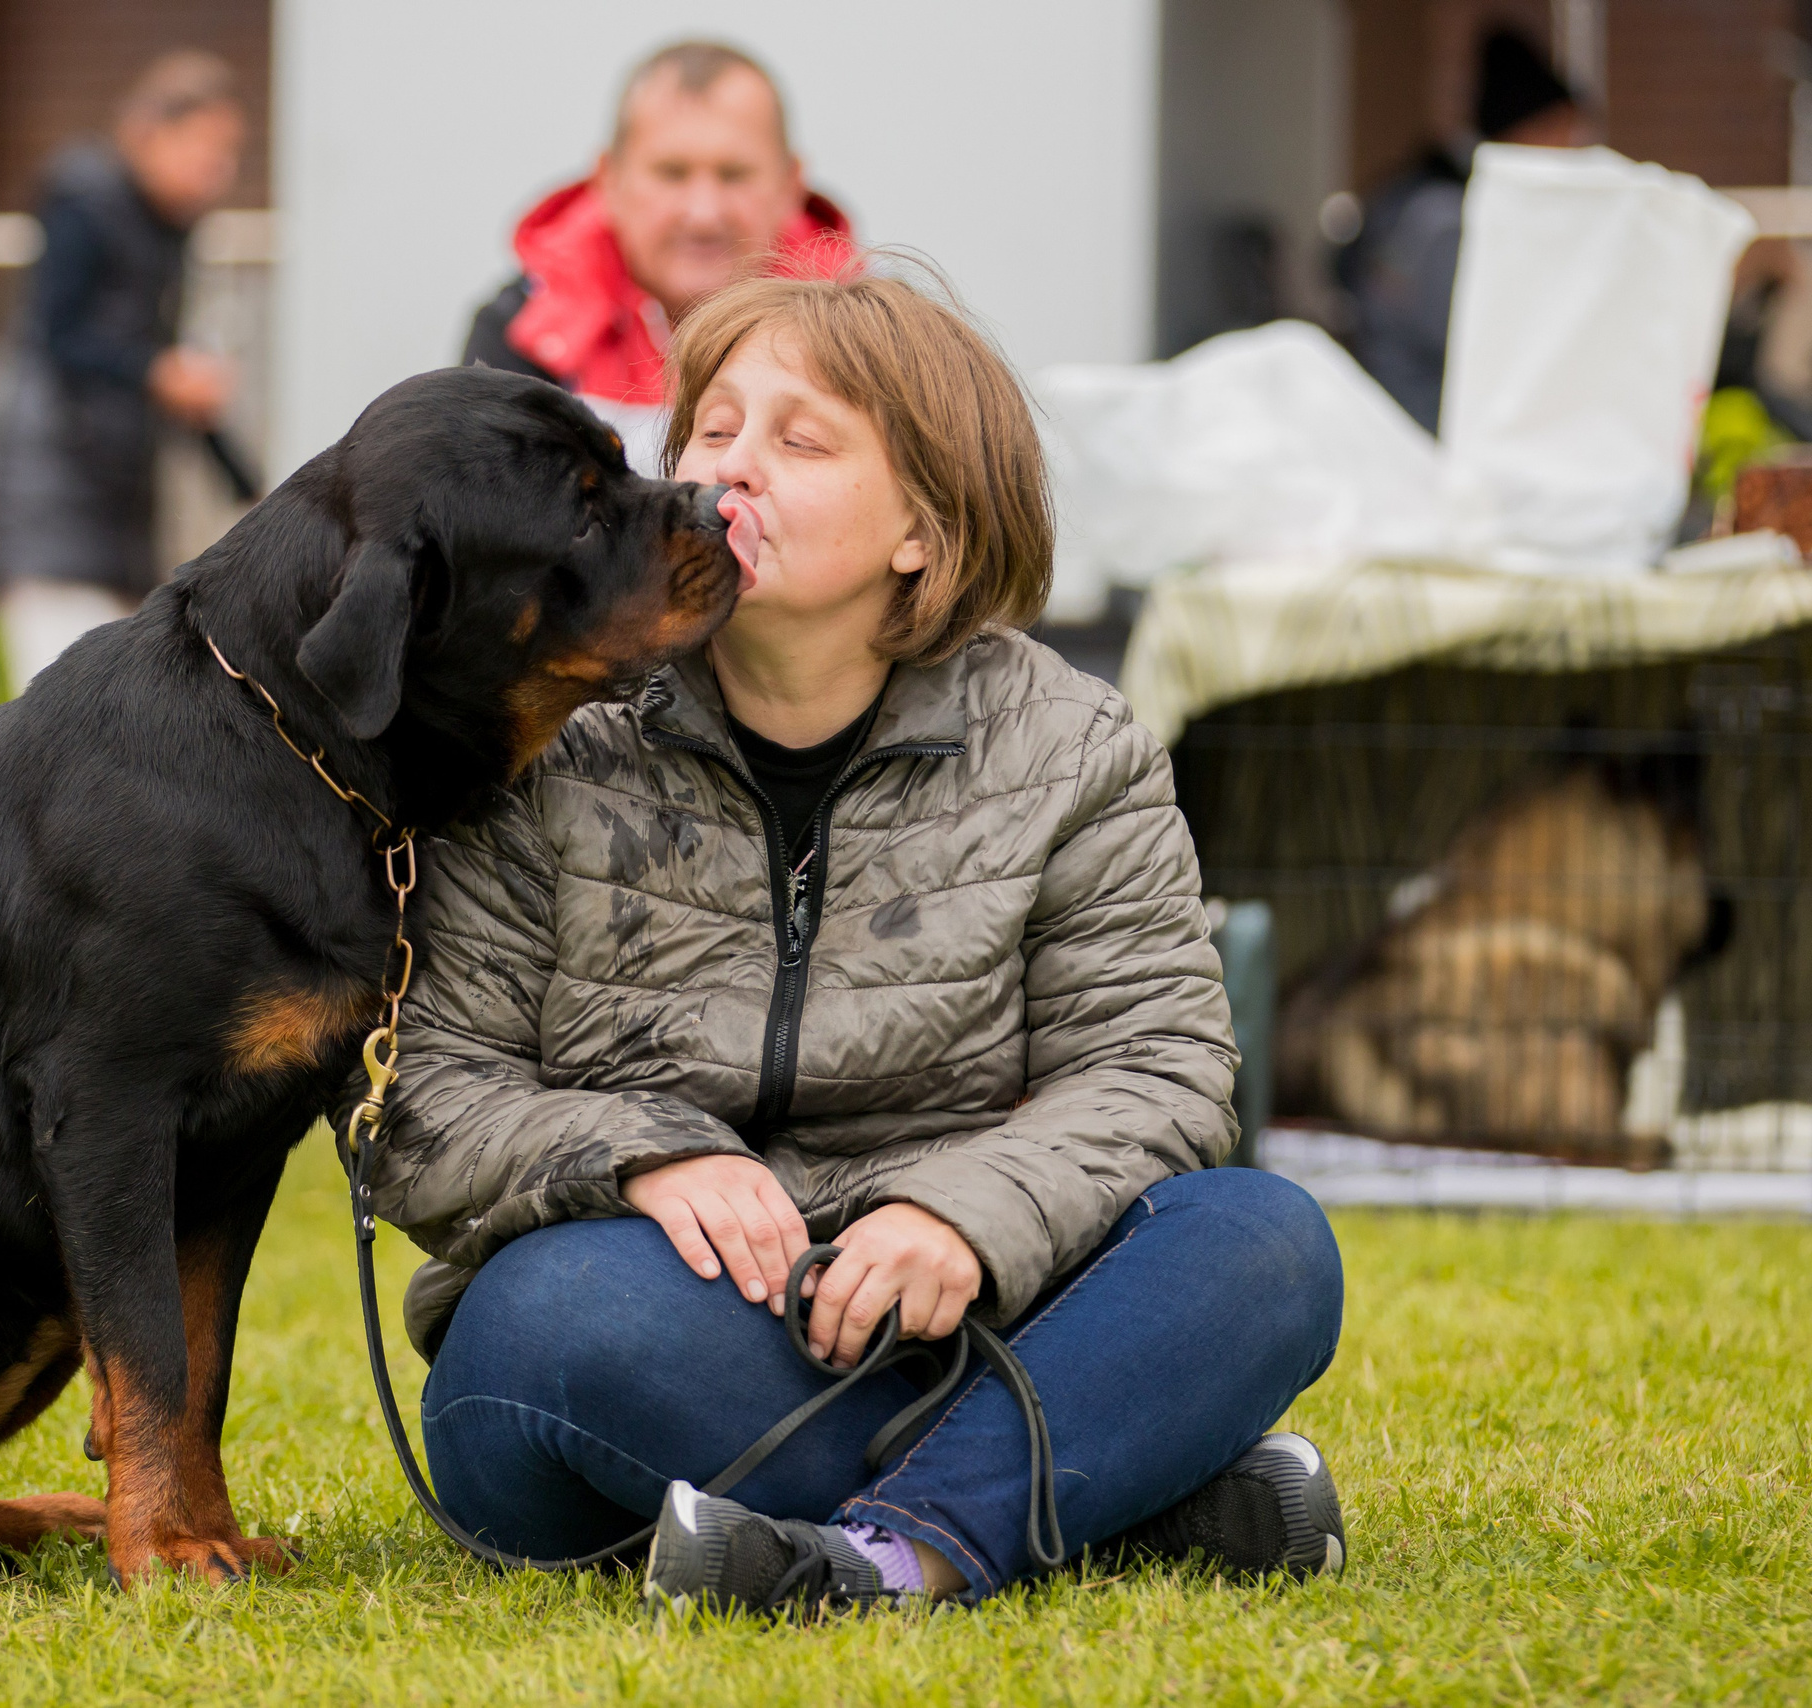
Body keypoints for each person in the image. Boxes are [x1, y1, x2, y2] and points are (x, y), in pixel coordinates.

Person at [373, 264, 1347, 1616]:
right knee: (539, 1325)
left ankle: (891, 1556)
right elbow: (419, 1095)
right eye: (712, 430)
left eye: (801, 439)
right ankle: (1114, 1490)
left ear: (925, 531)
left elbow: (1159, 1067)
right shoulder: (549, 724)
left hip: (964, 1314)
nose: (732, 470)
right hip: (652, 1314)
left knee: (1265, 1241)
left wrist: (963, 1214)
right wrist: (638, 1155)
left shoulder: (1068, 745)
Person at [0, 51, 245, 696]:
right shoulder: (84, 198)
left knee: (118, 714)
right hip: (55, 499)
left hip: (120, 508)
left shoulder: (169, 230)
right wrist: (159, 371)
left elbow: (166, 373)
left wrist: (247, 489)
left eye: (231, 153)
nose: (222, 170)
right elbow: (58, 334)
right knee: (57, 714)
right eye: (208, 147)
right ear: (153, 132)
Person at [462, 40, 851, 474]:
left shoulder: (869, 338)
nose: (704, 213)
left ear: (790, 184)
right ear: (608, 180)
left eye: (734, 174)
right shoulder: (521, 332)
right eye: (672, 173)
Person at [1339, 27, 1593, 431]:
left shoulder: (1439, 198)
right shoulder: (1445, 221)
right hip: (1422, 445)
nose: (1573, 151)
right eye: (1562, 133)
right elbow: (1492, 355)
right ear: (1525, 129)